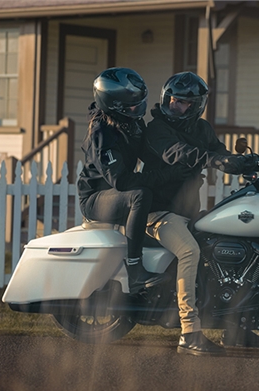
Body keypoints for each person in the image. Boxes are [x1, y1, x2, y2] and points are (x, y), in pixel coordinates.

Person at [145, 71, 259, 352]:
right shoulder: (157, 130)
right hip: (158, 213)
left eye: (182, 102)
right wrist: (215, 159)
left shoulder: (201, 129)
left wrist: (250, 163)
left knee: (235, 248)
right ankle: (189, 333)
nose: (175, 106)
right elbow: (180, 153)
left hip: (188, 213)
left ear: (196, 105)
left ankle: (237, 330)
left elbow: (220, 152)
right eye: (173, 100)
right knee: (189, 251)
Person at [77, 67, 183, 296]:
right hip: (95, 199)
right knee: (140, 195)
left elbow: (150, 154)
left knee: (155, 191)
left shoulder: (131, 123)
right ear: (114, 106)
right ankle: (135, 269)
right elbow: (122, 181)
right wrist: (162, 176)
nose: (138, 109)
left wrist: (179, 160)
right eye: (133, 106)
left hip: (116, 195)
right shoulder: (101, 134)